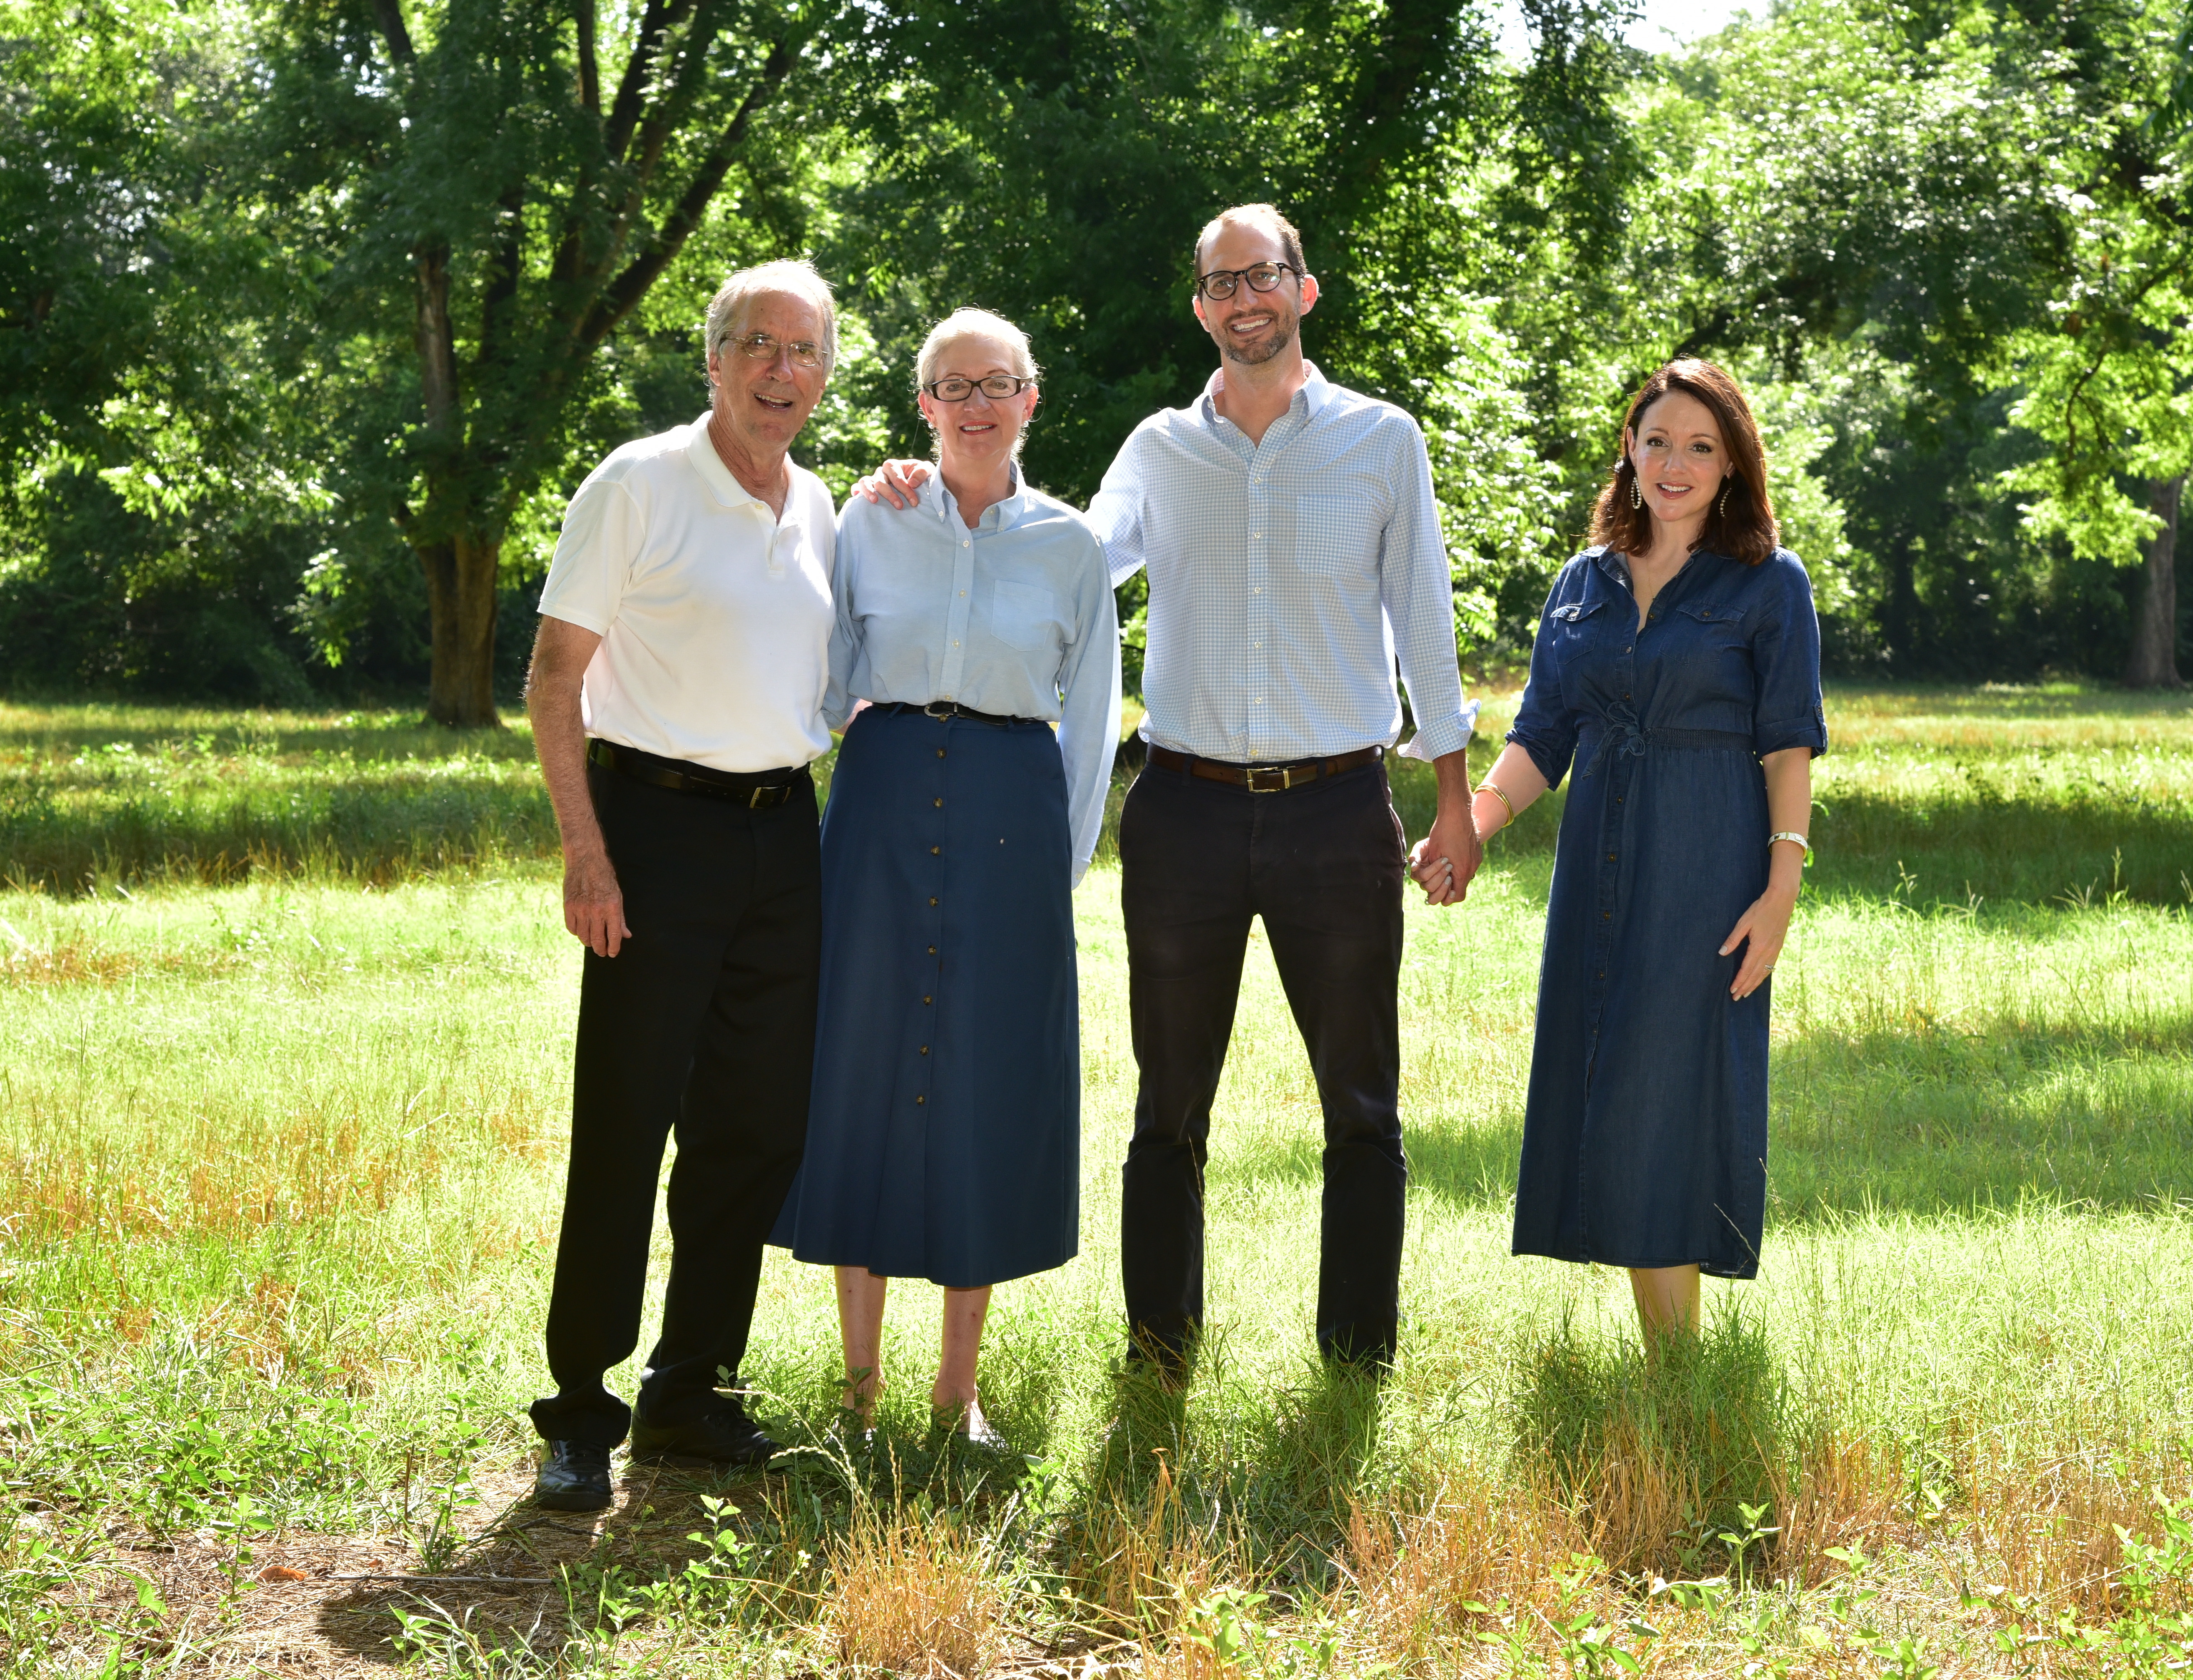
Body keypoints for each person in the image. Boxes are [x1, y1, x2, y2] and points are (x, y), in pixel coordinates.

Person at [870, 205, 1481, 1377]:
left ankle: (1357, 1359)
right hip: (1184, 814)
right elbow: (1071, 557)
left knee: (1361, 1104)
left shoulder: (1381, 439)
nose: (1244, 298)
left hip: (1336, 812)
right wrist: (949, 481)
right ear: (1201, 308)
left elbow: (1425, 616)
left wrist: (1452, 797)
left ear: (1303, 289)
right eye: (1221, 283)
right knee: (1167, 1109)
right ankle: (1159, 1354)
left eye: (1264, 276)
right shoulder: (1159, 448)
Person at [522, 259, 843, 1512]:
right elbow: (554, 677)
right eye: (757, 345)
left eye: (803, 351)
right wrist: (586, 850)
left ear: (824, 374)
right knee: (626, 1117)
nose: (779, 371)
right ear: (713, 359)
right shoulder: (638, 482)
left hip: (784, 837)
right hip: (653, 831)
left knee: (753, 1128)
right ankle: (579, 1409)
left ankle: (689, 1388)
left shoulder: (818, 504)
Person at [771, 308, 1119, 1448]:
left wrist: (1058, 871)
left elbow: (1090, 723)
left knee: (984, 1075)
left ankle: (955, 1392)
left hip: (1011, 815)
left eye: (997, 383)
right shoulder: (869, 521)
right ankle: (859, 1392)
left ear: (1030, 399)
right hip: (879, 802)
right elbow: (825, 679)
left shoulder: (1072, 546)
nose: (976, 404)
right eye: (953, 386)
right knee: (863, 1062)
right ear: (924, 405)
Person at [1462, 358, 1826, 1340]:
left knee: (1661, 1091)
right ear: (1627, 449)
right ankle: (1674, 1362)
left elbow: (1787, 745)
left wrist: (1779, 893)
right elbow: (1542, 736)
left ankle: (1676, 1368)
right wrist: (1469, 830)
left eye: (1699, 447)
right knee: (1607, 1081)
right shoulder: (1581, 582)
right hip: (1596, 866)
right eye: (1657, 441)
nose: (1674, 464)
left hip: (1705, 869)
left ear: (1731, 464)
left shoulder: (1768, 583)